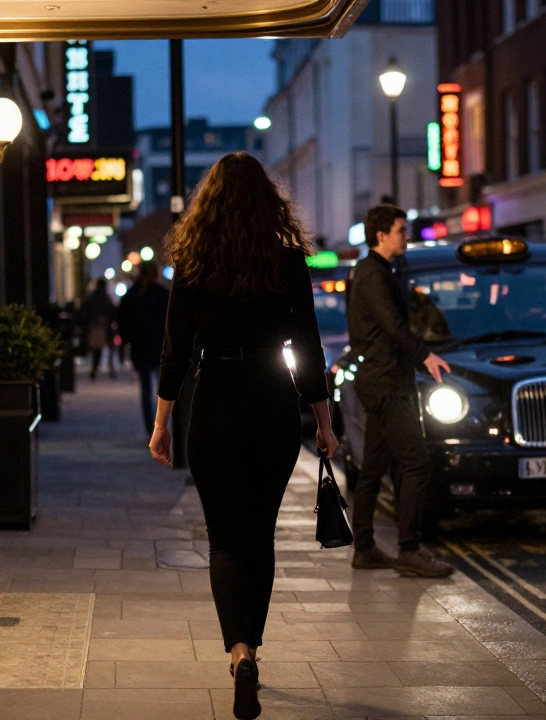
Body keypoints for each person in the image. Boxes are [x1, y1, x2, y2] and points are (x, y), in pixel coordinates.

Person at [147, 151, 339, 720]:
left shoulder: (193, 260)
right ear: (267, 201)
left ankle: (238, 652)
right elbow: (306, 345)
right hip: (271, 403)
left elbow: (175, 349)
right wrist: (323, 421)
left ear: (209, 203)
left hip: (215, 403)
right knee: (260, 534)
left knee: (224, 538)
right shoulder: (286, 261)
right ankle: (254, 644)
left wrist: (161, 422)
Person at [345, 204, 455, 578]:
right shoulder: (373, 275)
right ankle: (409, 549)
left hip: (380, 381)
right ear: (381, 235)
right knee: (416, 463)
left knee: (372, 469)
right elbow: (393, 327)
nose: (405, 235)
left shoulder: (372, 271)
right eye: (400, 230)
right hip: (387, 384)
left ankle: (364, 548)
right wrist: (426, 357)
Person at [118, 261, 169, 431]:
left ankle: (150, 425)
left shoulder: (133, 295)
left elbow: (122, 320)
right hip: (160, 345)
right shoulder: (163, 294)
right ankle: (162, 422)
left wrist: (128, 339)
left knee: (146, 388)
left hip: (141, 346)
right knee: (163, 387)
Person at [80, 278, 117, 380]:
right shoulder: (106, 298)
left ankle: (96, 368)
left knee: (97, 349)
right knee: (109, 348)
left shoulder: (92, 297)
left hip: (95, 326)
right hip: (104, 326)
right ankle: (111, 368)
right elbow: (112, 312)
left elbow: (86, 312)